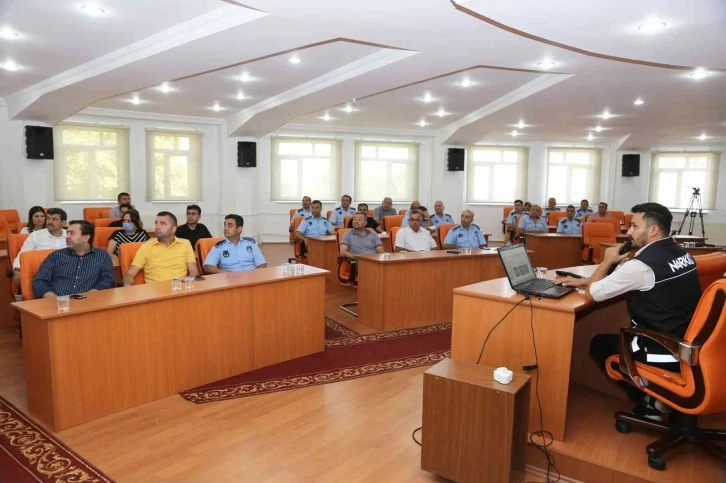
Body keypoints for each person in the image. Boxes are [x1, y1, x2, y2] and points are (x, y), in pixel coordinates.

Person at [556, 203, 702, 420]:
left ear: (652, 230)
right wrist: (587, 280)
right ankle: (659, 397)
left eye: (634, 226)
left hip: (660, 347)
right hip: (688, 341)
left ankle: (653, 401)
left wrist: (607, 261)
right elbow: (626, 279)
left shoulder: (641, 266)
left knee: (598, 344)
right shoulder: (681, 253)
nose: (629, 231)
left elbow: (592, 295)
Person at [32, 220, 115, 299]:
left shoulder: (102, 256)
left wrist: (88, 297)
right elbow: (40, 281)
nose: (67, 237)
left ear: (85, 238)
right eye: (67, 233)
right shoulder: (56, 256)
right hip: (56, 304)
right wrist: (57, 300)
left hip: (90, 303)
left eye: (72, 233)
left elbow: (107, 280)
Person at [122, 212, 198, 285]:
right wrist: (127, 285)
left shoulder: (185, 244)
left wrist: (186, 284)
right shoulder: (147, 247)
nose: (157, 227)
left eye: (163, 224)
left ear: (173, 229)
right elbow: (129, 274)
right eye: (156, 223)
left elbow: (194, 271)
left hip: (178, 289)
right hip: (155, 294)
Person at [13, 208, 68, 285]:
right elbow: (23, 254)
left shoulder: (70, 235)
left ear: (64, 223)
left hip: (67, 273)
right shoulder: (35, 236)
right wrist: (17, 269)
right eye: (48, 218)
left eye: (54, 219)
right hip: (43, 274)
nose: (50, 222)